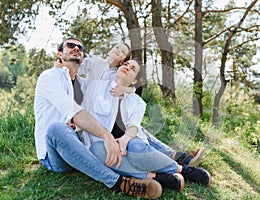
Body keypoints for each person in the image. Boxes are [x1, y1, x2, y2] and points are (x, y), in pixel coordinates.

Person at [33, 37, 162, 199]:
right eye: (70, 45)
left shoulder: (84, 84)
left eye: (80, 47)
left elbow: (111, 93)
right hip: (54, 154)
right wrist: (106, 136)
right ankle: (119, 182)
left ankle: (167, 166)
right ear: (60, 54)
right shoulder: (50, 77)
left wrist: (127, 91)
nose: (76, 48)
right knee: (56, 129)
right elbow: (75, 112)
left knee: (127, 128)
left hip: (81, 147)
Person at [81, 59, 212, 191]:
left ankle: (183, 170)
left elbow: (134, 125)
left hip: (127, 140)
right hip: (101, 141)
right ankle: (156, 176)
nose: (127, 67)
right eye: (126, 64)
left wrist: (124, 141)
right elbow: (84, 111)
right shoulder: (96, 86)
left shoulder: (137, 102)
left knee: (137, 147)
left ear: (134, 81)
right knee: (97, 151)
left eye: (133, 68)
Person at [78, 42, 205, 167]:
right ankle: (177, 157)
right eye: (116, 47)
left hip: (109, 112)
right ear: (108, 51)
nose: (118, 50)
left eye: (122, 52)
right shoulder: (94, 62)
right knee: (136, 130)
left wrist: (127, 89)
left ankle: (176, 158)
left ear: (123, 60)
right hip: (93, 108)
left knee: (135, 129)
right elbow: (75, 70)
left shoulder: (118, 72)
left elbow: (128, 87)